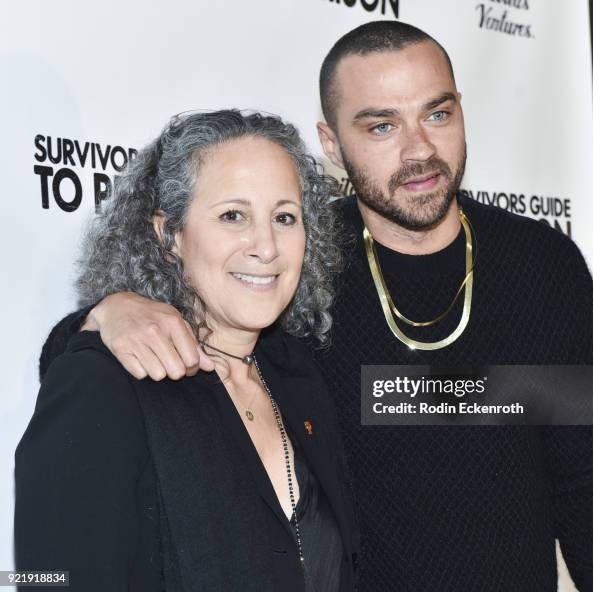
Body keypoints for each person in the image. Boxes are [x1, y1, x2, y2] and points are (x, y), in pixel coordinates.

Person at [37, 22, 593, 591]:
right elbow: (99, 375)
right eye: (382, 125)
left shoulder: (546, 267)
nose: (420, 149)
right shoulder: (297, 267)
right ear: (333, 144)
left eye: (437, 114)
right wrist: (107, 311)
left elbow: (588, 484)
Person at [15, 110, 359, 592]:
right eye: (232, 216)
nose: (266, 246)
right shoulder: (106, 382)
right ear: (169, 235)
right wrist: (96, 319)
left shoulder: (301, 373)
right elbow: (47, 580)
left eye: (285, 217)